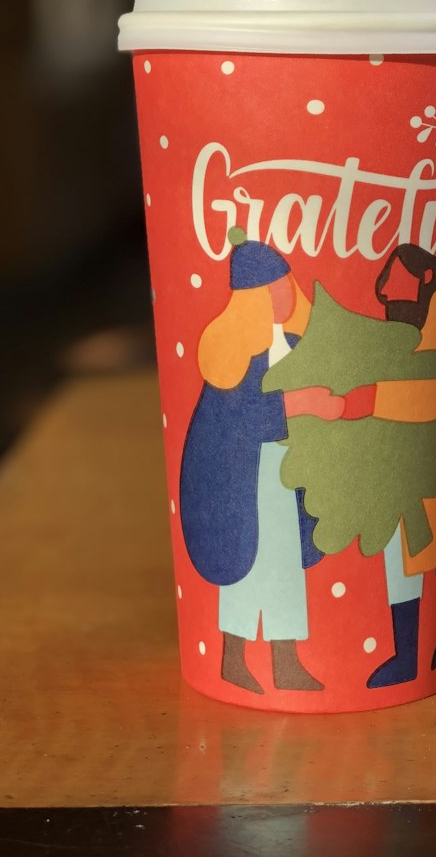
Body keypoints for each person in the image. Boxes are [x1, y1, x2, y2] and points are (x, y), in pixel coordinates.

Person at [179, 228, 324, 695]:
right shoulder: (233, 351)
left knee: (283, 565)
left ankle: (286, 662)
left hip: (284, 473)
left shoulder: (295, 342)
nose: (286, 294)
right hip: (245, 476)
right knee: (246, 566)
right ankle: (233, 658)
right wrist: (298, 405)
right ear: (254, 297)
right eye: (275, 288)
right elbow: (234, 416)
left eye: (287, 285)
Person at [366, 245, 436, 688]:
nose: (391, 301)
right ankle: (407, 654)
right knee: (403, 562)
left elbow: (431, 381)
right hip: (397, 467)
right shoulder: (406, 323)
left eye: (397, 291)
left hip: (431, 462)